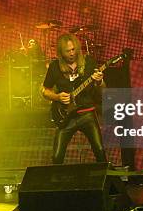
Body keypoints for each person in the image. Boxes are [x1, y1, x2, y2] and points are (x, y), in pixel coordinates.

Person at [41, 33, 107, 164]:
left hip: (86, 114)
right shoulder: (55, 66)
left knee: (100, 151)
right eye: (67, 51)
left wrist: (100, 81)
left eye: (73, 50)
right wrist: (57, 97)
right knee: (57, 157)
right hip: (65, 117)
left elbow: (103, 91)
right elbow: (44, 90)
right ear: (61, 53)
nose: (71, 53)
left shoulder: (88, 63)